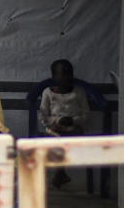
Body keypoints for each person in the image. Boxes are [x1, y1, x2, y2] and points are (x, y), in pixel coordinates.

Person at [38, 59, 90, 187]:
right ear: (53, 76)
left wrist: (72, 120)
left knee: (65, 139)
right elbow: (43, 115)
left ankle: (60, 173)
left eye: (68, 73)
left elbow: (86, 115)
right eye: (61, 73)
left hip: (73, 129)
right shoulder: (48, 93)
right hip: (54, 129)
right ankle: (61, 173)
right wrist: (57, 121)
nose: (65, 77)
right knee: (56, 137)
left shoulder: (79, 92)